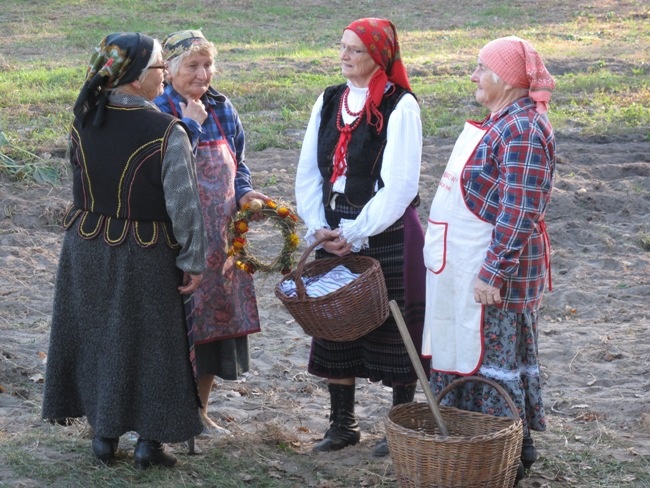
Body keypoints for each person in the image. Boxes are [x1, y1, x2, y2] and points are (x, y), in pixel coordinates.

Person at [41, 32, 207, 469]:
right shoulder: (165, 130)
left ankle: (104, 437)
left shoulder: (83, 119)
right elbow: (184, 203)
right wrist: (193, 259)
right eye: (158, 70)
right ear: (134, 78)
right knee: (154, 343)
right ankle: (149, 445)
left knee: (101, 339)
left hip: (86, 247)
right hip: (145, 252)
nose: (162, 78)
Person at [422, 35, 556, 482]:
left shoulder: (522, 130)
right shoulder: (501, 121)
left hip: (494, 276)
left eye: (481, 68)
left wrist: (492, 272)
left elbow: (519, 211)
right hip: (465, 267)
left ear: (507, 79)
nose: (474, 76)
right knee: (477, 359)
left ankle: (509, 456)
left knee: (497, 364)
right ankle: (488, 453)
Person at [295, 18, 428, 456]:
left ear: (379, 57)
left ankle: (400, 426)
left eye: (355, 49)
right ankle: (342, 424)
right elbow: (310, 171)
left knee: (396, 323)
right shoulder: (329, 99)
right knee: (335, 320)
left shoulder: (400, 105)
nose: (344, 55)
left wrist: (357, 231)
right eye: (343, 47)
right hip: (334, 225)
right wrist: (321, 227)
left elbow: (401, 184)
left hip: (384, 226)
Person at [154, 30, 268, 432]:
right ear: (167, 70)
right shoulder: (157, 110)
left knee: (213, 331)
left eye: (208, 65)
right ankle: (171, 414)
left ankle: (199, 411)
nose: (203, 74)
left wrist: (245, 193)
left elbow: (239, 161)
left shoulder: (222, 107)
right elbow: (167, 170)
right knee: (173, 326)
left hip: (220, 240)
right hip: (175, 240)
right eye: (192, 66)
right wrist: (190, 125)